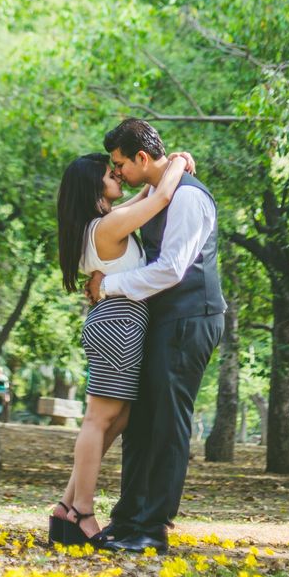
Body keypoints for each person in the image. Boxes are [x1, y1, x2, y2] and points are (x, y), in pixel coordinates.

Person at [85, 118, 225, 554]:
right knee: (141, 422)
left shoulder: (187, 198)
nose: (118, 173)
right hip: (163, 320)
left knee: (167, 423)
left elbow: (171, 269)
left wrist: (107, 287)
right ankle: (128, 520)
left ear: (141, 158)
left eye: (120, 164)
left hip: (190, 318)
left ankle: (153, 528)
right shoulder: (161, 190)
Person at [50, 147, 195, 546]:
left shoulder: (103, 222)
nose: (116, 172)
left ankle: (65, 507)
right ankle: (81, 511)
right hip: (117, 325)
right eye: (108, 170)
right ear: (92, 183)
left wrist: (167, 164)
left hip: (121, 324)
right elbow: (161, 197)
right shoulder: (106, 228)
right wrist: (179, 163)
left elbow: (146, 197)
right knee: (99, 420)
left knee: (118, 419)